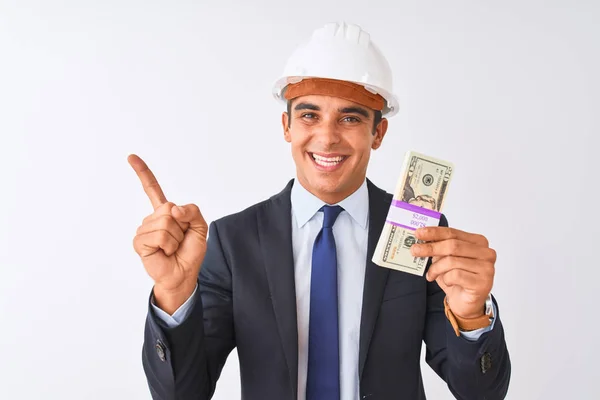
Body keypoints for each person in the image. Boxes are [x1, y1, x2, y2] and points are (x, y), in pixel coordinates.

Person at [130, 21, 511, 400]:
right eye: (310, 115)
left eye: (350, 118)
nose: (327, 137)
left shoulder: (421, 235)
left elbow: (481, 393)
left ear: (378, 133)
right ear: (287, 126)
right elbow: (182, 393)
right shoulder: (234, 240)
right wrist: (174, 293)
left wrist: (471, 315)